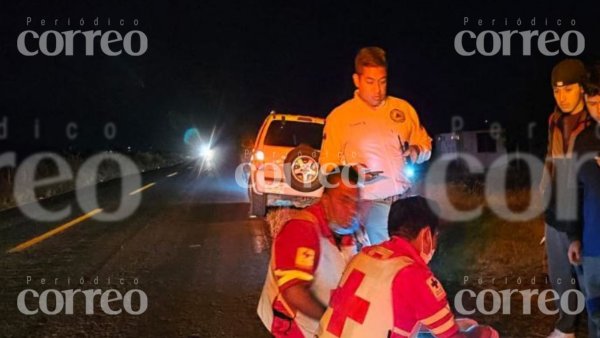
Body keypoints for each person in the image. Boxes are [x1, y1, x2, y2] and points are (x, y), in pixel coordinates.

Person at [318, 196, 498, 338]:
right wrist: (483, 332)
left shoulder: (363, 256)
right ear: (426, 236)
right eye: (435, 236)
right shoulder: (414, 276)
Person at [319, 46, 432, 245]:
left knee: (408, 260)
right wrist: (351, 173)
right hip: (371, 204)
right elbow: (327, 167)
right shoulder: (339, 117)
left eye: (382, 81)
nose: (377, 90)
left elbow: (426, 144)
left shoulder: (403, 109)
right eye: (370, 82)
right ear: (357, 80)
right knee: (385, 261)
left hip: (406, 200)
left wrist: (415, 151)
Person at [257, 166, 363, 337]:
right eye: (344, 200)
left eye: (356, 202)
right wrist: (331, 319)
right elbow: (294, 292)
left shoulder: (347, 232)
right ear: (326, 200)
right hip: (292, 330)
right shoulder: (302, 230)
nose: (352, 210)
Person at [541, 58, 590, 338]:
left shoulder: (593, 120)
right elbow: (551, 158)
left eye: (568, 90)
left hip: (584, 208)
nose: (562, 97)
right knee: (559, 270)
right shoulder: (554, 119)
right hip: (557, 205)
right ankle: (566, 325)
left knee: (586, 272)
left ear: (582, 88)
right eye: (557, 91)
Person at [567, 63, 600, 338]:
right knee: (596, 315)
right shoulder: (584, 142)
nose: (597, 110)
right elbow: (574, 193)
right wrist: (575, 236)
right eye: (592, 103)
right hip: (592, 247)